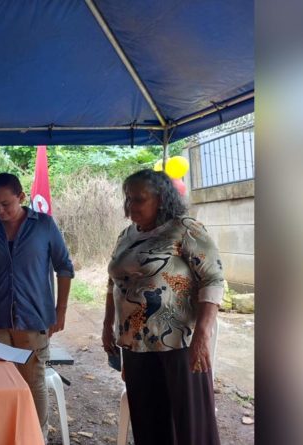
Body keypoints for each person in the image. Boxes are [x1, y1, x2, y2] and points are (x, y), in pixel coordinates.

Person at [102, 169, 222, 445]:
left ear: (161, 199)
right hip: (135, 345)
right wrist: (107, 324)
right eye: (128, 199)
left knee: (188, 424)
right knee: (147, 420)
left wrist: (202, 336)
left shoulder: (185, 229)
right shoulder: (127, 235)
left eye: (139, 199)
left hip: (179, 344)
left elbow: (213, 279)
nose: (130, 206)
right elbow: (113, 282)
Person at [0, 173, 74, 438]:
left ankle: (34, 436)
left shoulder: (43, 225)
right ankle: (1, 435)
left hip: (33, 318)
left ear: (21, 197)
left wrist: (60, 310)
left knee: (33, 381)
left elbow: (64, 267)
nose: (0, 210)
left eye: (6, 203)